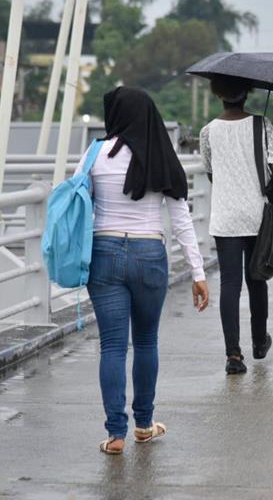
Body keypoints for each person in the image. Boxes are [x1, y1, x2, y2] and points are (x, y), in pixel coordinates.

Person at [78, 87, 210, 455]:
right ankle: (143, 425)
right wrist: (198, 273)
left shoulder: (95, 154)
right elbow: (181, 220)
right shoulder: (161, 156)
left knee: (113, 346)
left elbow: (77, 203)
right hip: (149, 254)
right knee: (147, 341)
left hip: (104, 253)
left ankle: (115, 434)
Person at [199, 75, 273, 375]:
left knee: (230, 284)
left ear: (218, 94)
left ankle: (233, 356)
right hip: (257, 214)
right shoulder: (262, 125)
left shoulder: (208, 131)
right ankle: (260, 342)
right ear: (247, 93)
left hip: (225, 217)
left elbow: (210, 171)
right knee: (257, 280)